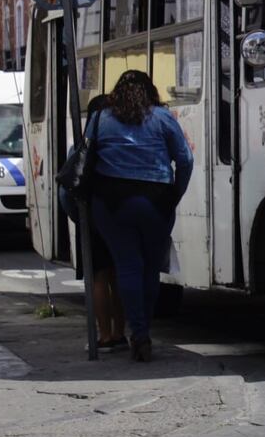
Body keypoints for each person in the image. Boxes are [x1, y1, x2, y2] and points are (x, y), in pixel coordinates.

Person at [87, 70, 193, 363]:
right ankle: (142, 330)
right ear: (150, 91)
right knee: (149, 270)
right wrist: (175, 195)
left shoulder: (101, 119)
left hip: (111, 203)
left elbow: (86, 158)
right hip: (155, 201)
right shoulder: (162, 117)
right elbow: (185, 159)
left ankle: (140, 332)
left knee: (127, 267)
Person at [59, 95, 127, 353]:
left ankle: (105, 335)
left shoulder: (81, 147)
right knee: (118, 277)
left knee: (99, 278)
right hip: (118, 215)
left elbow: (66, 193)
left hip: (92, 218)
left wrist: (80, 219)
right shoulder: (121, 144)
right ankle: (120, 334)